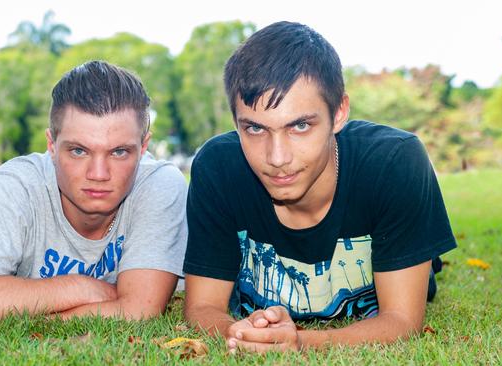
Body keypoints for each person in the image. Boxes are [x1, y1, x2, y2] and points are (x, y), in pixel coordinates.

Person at [183, 21, 457, 352]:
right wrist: (242, 334)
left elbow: (401, 320)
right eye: (255, 129)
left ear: (339, 113)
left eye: (300, 126)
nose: (278, 157)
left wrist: (298, 342)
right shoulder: (218, 168)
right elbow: (201, 307)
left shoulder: (394, 162)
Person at [0, 61, 188, 324]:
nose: (99, 174)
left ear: (143, 146)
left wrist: (40, 319)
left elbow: (139, 311)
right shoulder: (18, 184)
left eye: (119, 152)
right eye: (79, 151)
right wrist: (83, 288)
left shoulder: (159, 182)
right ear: (52, 145)